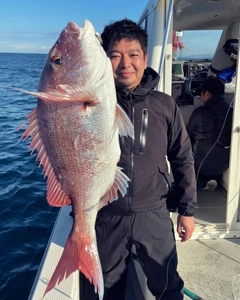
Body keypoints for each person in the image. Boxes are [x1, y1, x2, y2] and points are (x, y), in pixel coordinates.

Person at [88, 19, 198, 300]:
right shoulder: (94, 105)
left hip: (154, 213)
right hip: (106, 214)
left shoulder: (164, 104)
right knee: (105, 288)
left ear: (145, 58)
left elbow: (183, 157)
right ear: (104, 60)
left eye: (133, 54)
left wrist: (187, 209)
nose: (125, 63)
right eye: (114, 55)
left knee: (167, 286)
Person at [186, 76, 233, 191]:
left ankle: (200, 179)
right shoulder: (232, 112)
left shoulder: (199, 113)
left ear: (206, 94)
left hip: (201, 164)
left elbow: (188, 134)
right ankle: (213, 178)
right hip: (225, 163)